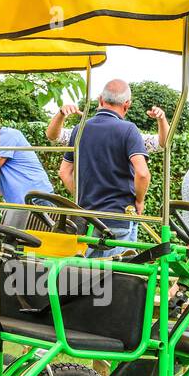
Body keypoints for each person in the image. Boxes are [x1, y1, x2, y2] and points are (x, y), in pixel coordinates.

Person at [49, 79, 150, 252]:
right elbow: (142, 173)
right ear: (127, 105)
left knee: (83, 276)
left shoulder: (79, 129)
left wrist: (81, 196)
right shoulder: (129, 130)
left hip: (85, 218)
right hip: (117, 218)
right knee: (117, 276)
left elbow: (64, 172)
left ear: (100, 100)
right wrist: (139, 201)